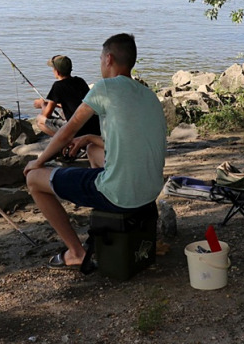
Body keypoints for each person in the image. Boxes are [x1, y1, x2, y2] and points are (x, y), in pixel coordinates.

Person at [23, 33, 167, 268]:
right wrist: (90, 137)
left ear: (108, 59)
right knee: (92, 150)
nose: (100, 63)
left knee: (33, 180)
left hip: (122, 194)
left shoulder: (105, 87)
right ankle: (105, 219)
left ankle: (77, 252)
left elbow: (66, 132)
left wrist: (38, 163)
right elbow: (129, 141)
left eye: (100, 58)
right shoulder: (147, 95)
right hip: (149, 191)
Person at [33, 54, 100, 140]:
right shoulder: (80, 81)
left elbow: (46, 114)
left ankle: (65, 140)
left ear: (57, 72)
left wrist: (42, 104)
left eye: (53, 69)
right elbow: (77, 103)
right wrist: (55, 105)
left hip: (77, 129)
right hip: (93, 126)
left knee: (39, 121)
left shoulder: (58, 86)